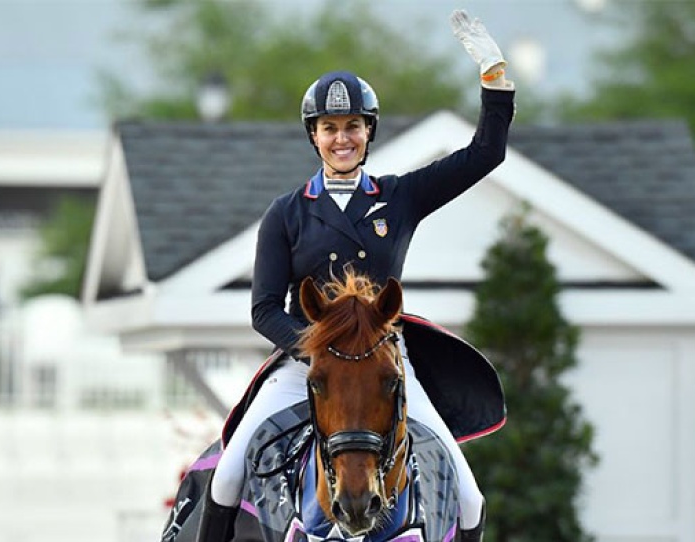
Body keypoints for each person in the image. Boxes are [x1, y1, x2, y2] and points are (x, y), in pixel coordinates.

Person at [198, 9, 515, 542]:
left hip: (386, 366)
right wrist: (315, 347)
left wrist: (493, 78)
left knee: (469, 495)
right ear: (314, 136)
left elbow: (486, 153)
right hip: (307, 365)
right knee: (227, 474)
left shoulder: (400, 195)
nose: (341, 138)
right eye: (329, 129)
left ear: (368, 132)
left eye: (351, 127)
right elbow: (263, 308)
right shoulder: (287, 212)